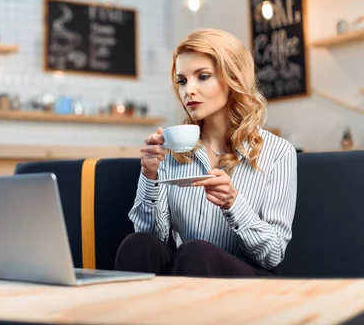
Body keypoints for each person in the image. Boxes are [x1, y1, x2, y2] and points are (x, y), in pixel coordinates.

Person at [114, 28, 297, 278]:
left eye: (203, 76)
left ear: (233, 78)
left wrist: (233, 203)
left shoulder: (278, 152)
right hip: (187, 270)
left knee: (196, 252)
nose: (188, 90)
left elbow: (272, 254)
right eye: (182, 80)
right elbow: (153, 238)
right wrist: (149, 176)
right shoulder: (171, 151)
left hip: (247, 283)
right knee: (138, 244)